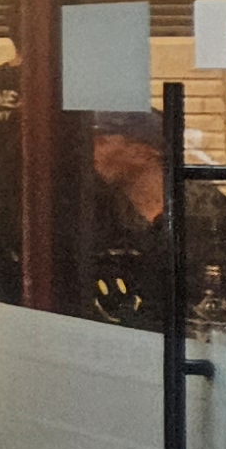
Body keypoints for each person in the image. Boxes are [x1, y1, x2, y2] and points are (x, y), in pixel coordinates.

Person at [86, 110, 176, 329]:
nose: (92, 152)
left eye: (102, 142)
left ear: (142, 152)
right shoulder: (97, 211)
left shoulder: (201, 209)